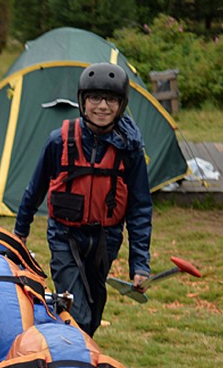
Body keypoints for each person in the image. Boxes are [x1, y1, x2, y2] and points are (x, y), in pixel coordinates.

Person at [12, 62, 152, 335]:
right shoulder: (58, 141)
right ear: (82, 101)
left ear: (121, 105)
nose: (102, 106)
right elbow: (34, 190)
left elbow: (140, 208)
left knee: (93, 311)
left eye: (111, 100)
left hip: (105, 239)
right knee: (77, 312)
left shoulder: (130, 149)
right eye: (95, 98)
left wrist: (140, 263)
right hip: (65, 236)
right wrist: (20, 234)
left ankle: (70, 346)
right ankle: (71, 351)